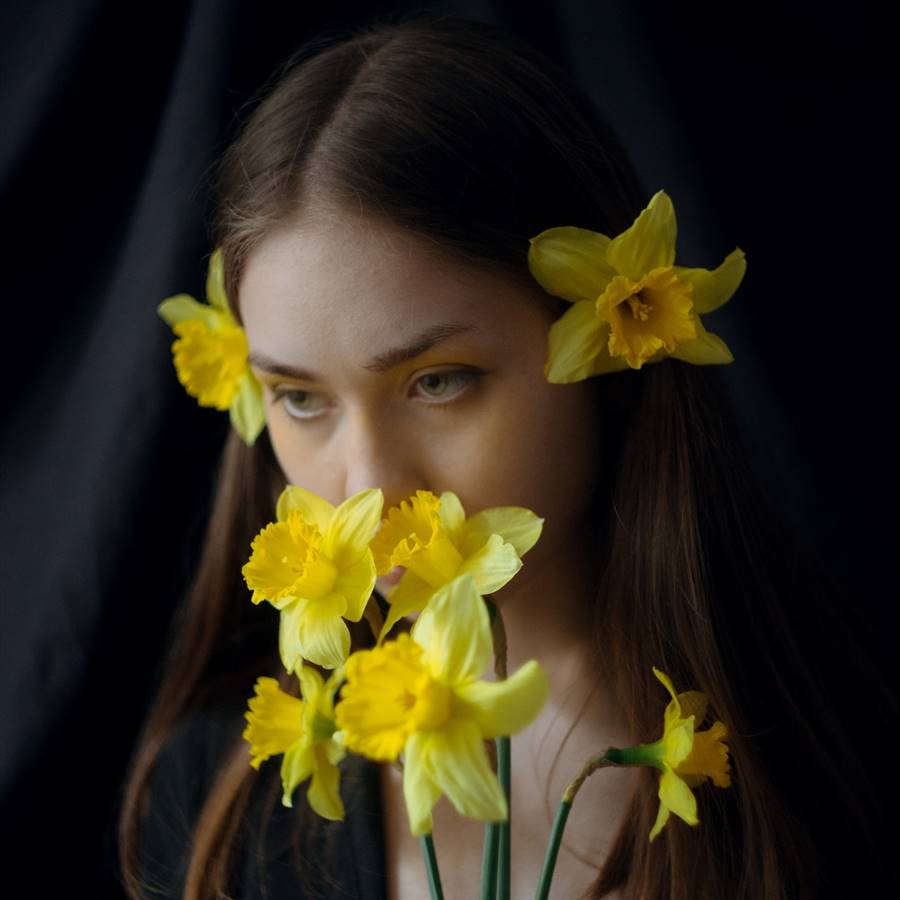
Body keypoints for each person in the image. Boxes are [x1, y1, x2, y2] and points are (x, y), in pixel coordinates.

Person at [118, 13, 892, 900]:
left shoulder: (822, 767)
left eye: (439, 382)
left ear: (606, 352)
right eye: (300, 398)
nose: (368, 490)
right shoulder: (220, 805)